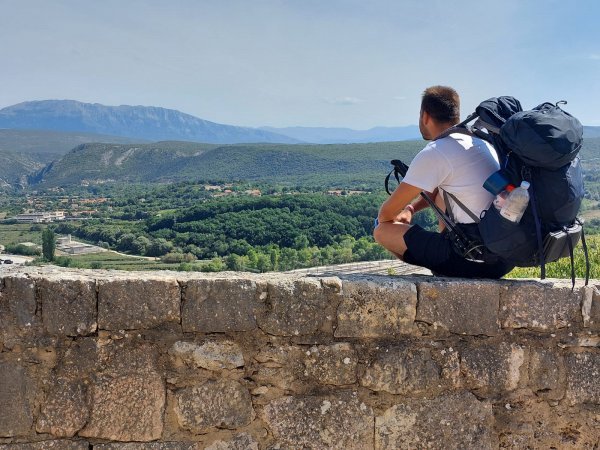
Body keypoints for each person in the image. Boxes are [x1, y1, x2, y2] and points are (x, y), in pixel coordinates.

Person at [373, 85, 513, 278]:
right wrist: (411, 209)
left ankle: (444, 269)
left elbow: (385, 215)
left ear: (425, 116)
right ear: (456, 115)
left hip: (474, 259)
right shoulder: (480, 142)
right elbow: (439, 189)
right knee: (442, 192)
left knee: (381, 230)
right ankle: (444, 261)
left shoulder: (437, 151)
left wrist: (397, 217)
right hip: (503, 256)